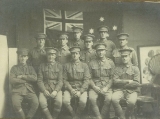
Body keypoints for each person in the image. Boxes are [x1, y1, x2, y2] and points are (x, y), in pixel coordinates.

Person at [10, 48, 39, 119]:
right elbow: (12, 80)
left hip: (29, 90)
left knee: (36, 103)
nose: (23, 58)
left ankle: (29, 117)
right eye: (21, 56)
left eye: (24, 56)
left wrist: (23, 76)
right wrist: (25, 80)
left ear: (27, 57)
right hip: (17, 90)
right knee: (16, 104)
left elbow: (35, 78)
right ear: (19, 57)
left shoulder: (30, 68)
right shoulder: (14, 68)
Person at [63, 46, 90, 119]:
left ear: (79, 55)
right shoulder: (66, 65)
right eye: (73, 54)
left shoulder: (84, 66)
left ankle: (77, 115)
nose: (74, 55)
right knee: (65, 101)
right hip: (70, 88)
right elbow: (65, 80)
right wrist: (71, 90)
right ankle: (73, 114)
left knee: (83, 102)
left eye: (76, 53)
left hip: (81, 88)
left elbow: (86, 80)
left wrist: (80, 91)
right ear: (71, 55)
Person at [88, 43, 115, 119]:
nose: (100, 52)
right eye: (98, 51)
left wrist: (106, 87)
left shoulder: (110, 62)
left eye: (102, 50)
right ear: (96, 52)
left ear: (105, 51)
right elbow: (89, 78)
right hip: (95, 86)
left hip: (107, 86)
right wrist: (94, 86)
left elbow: (112, 78)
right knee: (92, 99)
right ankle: (98, 116)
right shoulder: (91, 63)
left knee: (108, 99)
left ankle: (102, 116)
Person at [112, 49, 140, 119]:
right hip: (119, 90)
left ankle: (127, 116)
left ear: (130, 56)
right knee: (114, 99)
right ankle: (122, 117)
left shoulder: (135, 68)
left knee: (132, 102)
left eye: (126, 56)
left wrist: (121, 82)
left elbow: (136, 83)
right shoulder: (117, 68)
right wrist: (128, 81)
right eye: (122, 57)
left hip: (132, 90)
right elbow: (115, 81)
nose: (124, 58)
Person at [37, 47, 63, 119]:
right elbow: (39, 80)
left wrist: (56, 91)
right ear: (46, 55)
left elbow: (60, 81)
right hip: (45, 87)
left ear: (55, 56)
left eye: (52, 55)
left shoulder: (59, 66)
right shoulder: (42, 66)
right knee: (42, 102)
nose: (50, 56)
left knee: (59, 102)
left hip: (56, 88)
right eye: (49, 54)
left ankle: (54, 117)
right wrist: (44, 90)